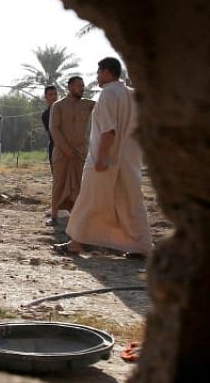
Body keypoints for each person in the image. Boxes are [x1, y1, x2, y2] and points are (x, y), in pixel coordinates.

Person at [56, 58, 151, 257]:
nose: (97, 76)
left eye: (99, 72)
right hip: (128, 162)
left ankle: (76, 244)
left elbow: (108, 131)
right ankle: (141, 247)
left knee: (89, 201)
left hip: (105, 161)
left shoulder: (108, 94)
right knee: (131, 204)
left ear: (107, 72)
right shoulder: (132, 95)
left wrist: (101, 158)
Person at [48, 76, 96, 224]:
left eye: (83, 85)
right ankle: (54, 216)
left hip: (80, 153)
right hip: (62, 153)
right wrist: (65, 148)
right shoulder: (58, 106)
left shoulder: (89, 105)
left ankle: (77, 218)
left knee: (80, 186)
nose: (82, 88)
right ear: (69, 87)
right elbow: (54, 128)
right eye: (78, 85)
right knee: (59, 184)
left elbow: (108, 106)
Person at [42, 85, 58, 217]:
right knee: (57, 178)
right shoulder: (46, 114)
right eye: (51, 94)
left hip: (72, 147)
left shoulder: (65, 109)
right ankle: (58, 206)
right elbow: (54, 133)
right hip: (56, 147)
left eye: (55, 94)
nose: (54, 97)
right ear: (46, 97)